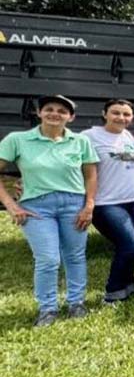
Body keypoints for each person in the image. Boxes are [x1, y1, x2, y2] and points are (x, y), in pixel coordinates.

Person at [0, 95, 98, 326]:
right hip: (36, 207)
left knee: (75, 256)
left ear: (70, 117)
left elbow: (91, 175)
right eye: (49, 109)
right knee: (47, 258)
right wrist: (11, 206)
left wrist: (89, 206)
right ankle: (48, 309)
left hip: (73, 204)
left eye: (62, 111)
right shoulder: (18, 140)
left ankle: (76, 303)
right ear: (39, 113)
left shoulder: (80, 142)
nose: (55, 114)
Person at [82, 99, 134, 304]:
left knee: (128, 246)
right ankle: (113, 293)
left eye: (126, 114)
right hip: (107, 203)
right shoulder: (89, 137)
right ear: (104, 114)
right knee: (130, 246)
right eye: (116, 113)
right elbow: (66, 160)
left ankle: (128, 285)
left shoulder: (128, 136)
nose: (121, 118)